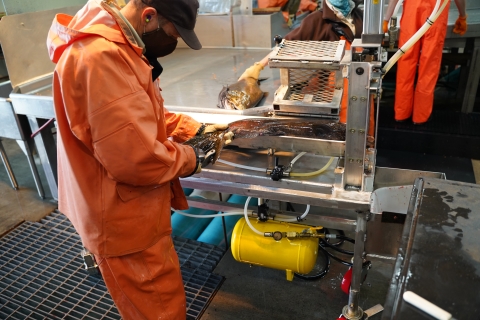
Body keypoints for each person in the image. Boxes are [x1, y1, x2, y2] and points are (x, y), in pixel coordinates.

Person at [47, 0, 232, 318]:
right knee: (160, 308)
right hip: (123, 220)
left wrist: (191, 128)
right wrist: (191, 157)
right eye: (173, 34)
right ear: (149, 16)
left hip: (124, 207)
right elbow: (135, 158)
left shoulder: (116, 41)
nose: (172, 42)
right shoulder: (102, 57)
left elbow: (135, 114)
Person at [239, 0, 375, 137]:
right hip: (336, 93)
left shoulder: (359, 15)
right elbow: (285, 45)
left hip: (362, 85)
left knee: (364, 129)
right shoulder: (316, 20)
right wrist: (258, 66)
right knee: (344, 134)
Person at [383, 0, 467, 124]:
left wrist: (386, 19)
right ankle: (420, 117)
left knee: (406, 61)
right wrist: (462, 16)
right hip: (437, 13)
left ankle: (401, 113)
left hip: (412, 13)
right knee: (429, 65)